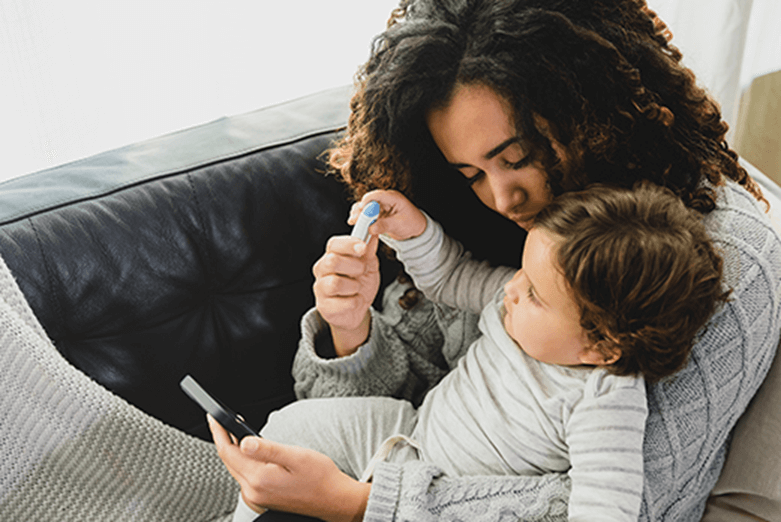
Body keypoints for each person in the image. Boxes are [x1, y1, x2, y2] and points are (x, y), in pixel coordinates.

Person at [210, 1, 781, 521]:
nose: (502, 200)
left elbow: (632, 505)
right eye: (472, 174)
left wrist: (362, 505)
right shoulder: (509, 238)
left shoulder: (704, 267)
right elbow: (435, 324)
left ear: (588, 110)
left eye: (518, 158)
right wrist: (350, 329)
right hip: (407, 446)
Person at [220, 182, 729, 522]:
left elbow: (605, 506)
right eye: (524, 273)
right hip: (408, 429)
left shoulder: (605, 398)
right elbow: (452, 276)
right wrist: (412, 231)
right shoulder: (515, 303)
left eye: (534, 293)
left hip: (442, 492)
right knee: (288, 426)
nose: (512, 289)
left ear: (602, 345)